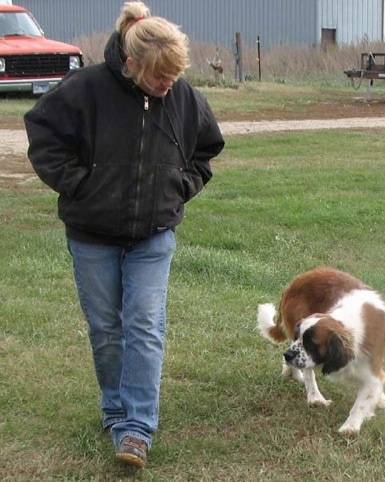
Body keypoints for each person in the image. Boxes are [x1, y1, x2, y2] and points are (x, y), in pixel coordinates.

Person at [24, 1, 224, 470]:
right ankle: (115, 411)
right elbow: (42, 133)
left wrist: (180, 187)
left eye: (174, 75)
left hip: (153, 235)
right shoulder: (84, 88)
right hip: (91, 235)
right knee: (107, 330)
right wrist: (80, 185)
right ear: (132, 65)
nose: (168, 84)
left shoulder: (184, 97)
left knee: (143, 326)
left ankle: (136, 429)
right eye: (159, 76)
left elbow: (206, 150)